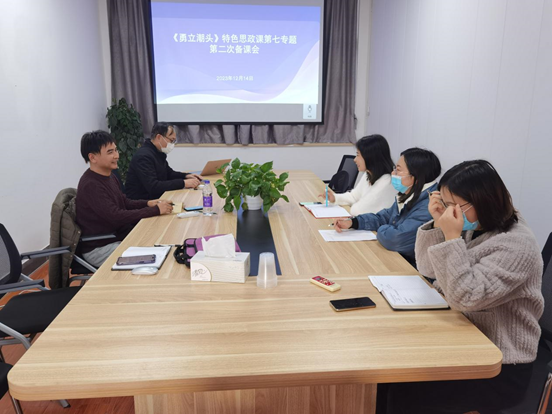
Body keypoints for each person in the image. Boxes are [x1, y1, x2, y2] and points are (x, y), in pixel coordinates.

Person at [380, 160, 544, 414]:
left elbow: (465, 297)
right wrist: (437, 225)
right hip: (463, 336)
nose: (448, 212)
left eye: (453, 205)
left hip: (500, 363)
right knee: (387, 374)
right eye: (444, 203)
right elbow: (428, 268)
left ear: (484, 201)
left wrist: (451, 237)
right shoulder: (474, 225)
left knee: (403, 391)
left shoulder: (516, 244)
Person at [76, 130, 173, 267]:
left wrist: (149, 203)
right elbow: (116, 216)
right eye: (110, 152)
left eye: (116, 150)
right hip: (101, 248)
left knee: (162, 241)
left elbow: (124, 202)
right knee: (156, 257)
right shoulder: (91, 185)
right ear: (92, 157)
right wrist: (155, 210)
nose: (116, 155)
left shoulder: (109, 176)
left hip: (116, 237)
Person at [333, 148, 441, 265]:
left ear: (416, 178)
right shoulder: (408, 194)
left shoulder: (430, 206)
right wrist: (354, 222)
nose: (393, 173)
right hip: (397, 258)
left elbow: (395, 240)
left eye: (398, 170)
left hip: (411, 267)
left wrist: (383, 228)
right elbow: (383, 217)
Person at [318, 134, 396, 216]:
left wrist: (353, 205)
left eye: (358, 155)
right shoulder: (368, 174)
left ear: (370, 157)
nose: (355, 159)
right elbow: (354, 197)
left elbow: (357, 211)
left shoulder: (387, 181)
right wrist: (335, 198)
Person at [125, 122, 202, 200]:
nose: (172, 144)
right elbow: (153, 187)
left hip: (156, 198)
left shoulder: (157, 152)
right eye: (171, 140)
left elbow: (168, 173)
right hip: (142, 202)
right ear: (159, 137)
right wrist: (183, 183)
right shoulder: (143, 156)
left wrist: (185, 176)